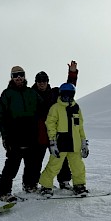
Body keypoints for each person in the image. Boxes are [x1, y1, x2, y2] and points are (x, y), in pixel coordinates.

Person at [0, 66, 43, 202]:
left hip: (31, 135)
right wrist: (5, 136)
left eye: (21, 75)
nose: (19, 78)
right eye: (15, 75)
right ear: (12, 77)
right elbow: (2, 116)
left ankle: (29, 185)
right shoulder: (7, 94)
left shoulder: (31, 93)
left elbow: (43, 108)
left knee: (32, 164)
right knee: (12, 165)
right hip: (14, 136)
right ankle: (4, 191)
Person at [31, 61, 78, 191]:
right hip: (38, 134)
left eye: (44, 80)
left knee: (61, 159)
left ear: (47, 81)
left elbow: (69, 88)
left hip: (56, 132)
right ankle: (31, 184)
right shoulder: (30, 94)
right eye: (39, 80)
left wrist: (72, 73)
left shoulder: (55, 93)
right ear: (36, 82)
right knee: (35, 161)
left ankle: (64, 181)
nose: (41, 83)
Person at [39, 83, 89, 197]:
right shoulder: (55, 108)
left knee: (78, 167)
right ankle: (46, 186)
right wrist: (52, 142)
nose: (67, 97)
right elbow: (50, 125)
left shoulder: (76, 108)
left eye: (70, 94)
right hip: (61, 143)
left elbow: (80, 126)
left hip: (74, 144)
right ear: (60, 94)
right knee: (54, 166)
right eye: (64, 95)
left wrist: (83, 143)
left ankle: (79, 185)